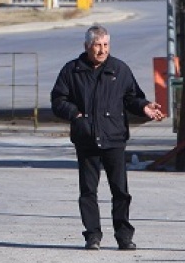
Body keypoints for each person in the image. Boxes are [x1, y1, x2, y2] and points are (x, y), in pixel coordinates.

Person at [51, 25, 165, 251]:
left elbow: (132, 98)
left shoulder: (119, 69)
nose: (102, 50)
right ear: (87, 47)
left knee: (120, 191)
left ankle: (124, 236)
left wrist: (145, 107)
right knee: (88, 192)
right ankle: (92, 236)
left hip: (114, 138)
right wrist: (76, 115)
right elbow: (58, 101)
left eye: (106, 45)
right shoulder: (72, 71)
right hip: (87, 139)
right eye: (97, 45)